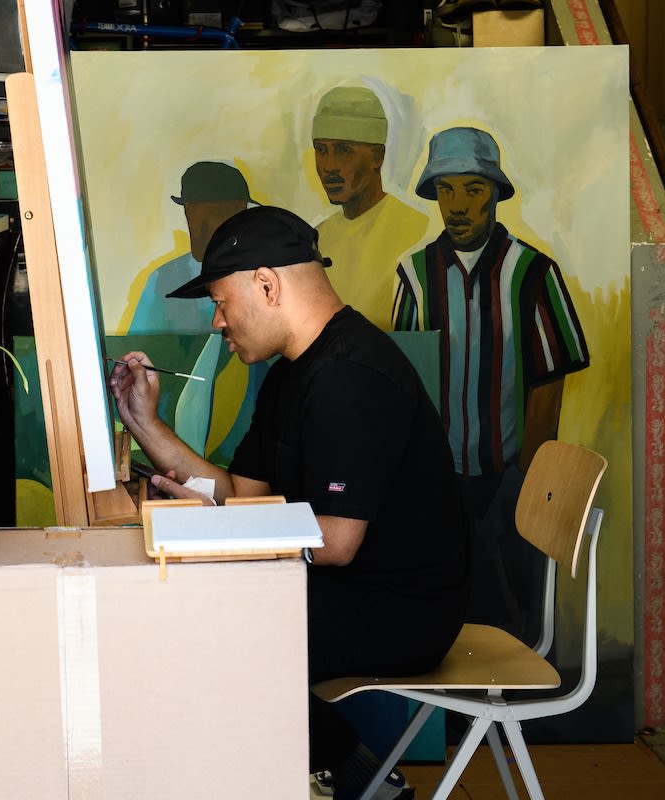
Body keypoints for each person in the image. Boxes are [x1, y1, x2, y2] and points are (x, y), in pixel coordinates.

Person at [109, 205, 469, 800]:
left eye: (222, 303)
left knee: (212, 633)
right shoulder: (292, 372)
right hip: (353, 589)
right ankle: (357, 775)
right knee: (203, 615)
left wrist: (221, 530)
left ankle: (356, 779)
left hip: (403, 611)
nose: (219, 324)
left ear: (267, 284)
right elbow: (243, 494)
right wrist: (145, 423)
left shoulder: (350, 376)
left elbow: (335, 540)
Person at [393, 126, 589, 641]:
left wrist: (523, 476)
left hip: (509, 479)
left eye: (473, 190)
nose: (457, 205)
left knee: (510, 608)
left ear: (496, 195)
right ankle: (457, 717)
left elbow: (550, 382)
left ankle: (509, 710)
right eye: (446, 190)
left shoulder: (531, 272)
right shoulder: (414, 275)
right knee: (445, 602)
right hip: (439, 478)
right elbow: (408, 378)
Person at [310, 85, 430, 328]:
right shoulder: (316, 239)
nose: (329, 165)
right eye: (321, 150)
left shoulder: (420, 231)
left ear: (378, 156)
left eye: (344, 150)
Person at [126, 161, 257, 334]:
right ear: (190, 212)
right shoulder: (162, 280)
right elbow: (139, 348)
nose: (233, 221)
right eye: (219, 211)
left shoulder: (262, 275)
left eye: (239, 210)